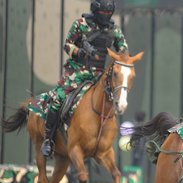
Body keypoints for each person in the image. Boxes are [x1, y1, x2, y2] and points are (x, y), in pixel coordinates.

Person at [41, 0, 129, 157]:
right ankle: (48, 140)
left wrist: (121, 56)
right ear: (95, 11)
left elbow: (123, 49)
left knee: (111, 99)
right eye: (103, 13)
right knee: (57, 99)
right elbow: (68, 45)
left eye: (109, 13)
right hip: (78, 71)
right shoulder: (81, 24)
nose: (106, 16)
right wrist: (79, 52)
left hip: (100, 74)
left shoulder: (114, 30)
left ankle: (102, 142)